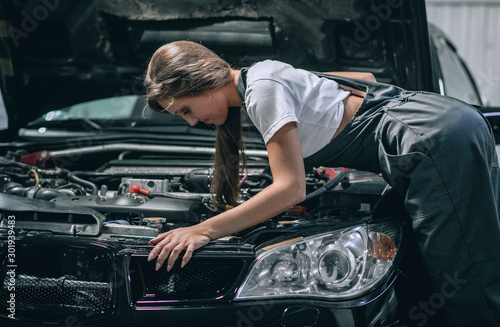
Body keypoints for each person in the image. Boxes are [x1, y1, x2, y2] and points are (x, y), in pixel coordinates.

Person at [144, 40, 500, 326]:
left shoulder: (261, 90)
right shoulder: (265, 75)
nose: (192, 123)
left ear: (200, 80)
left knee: (465, 277)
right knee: (424, 271)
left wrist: (204, 230)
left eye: (186, 110)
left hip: (433, 140)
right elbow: (366, 79)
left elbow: (290, 189)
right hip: (439, 129)